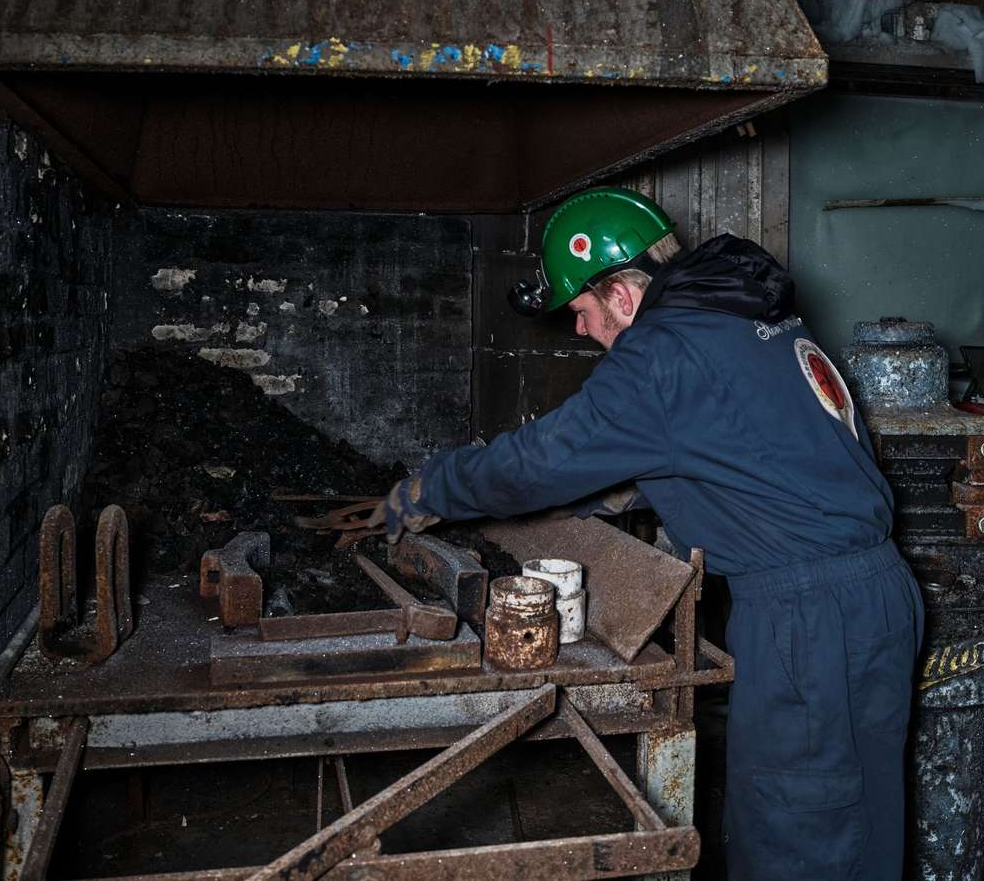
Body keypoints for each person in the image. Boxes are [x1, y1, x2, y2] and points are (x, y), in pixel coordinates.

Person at [371, 186, 921, 880]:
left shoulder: (660, 350)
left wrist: (429, 489)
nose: (579, 331)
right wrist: (630, 486)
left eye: (582, 312)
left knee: (796, 834)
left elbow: (536, 462)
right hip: (878, 593)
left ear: (621, 298)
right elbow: (750, 443)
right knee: (865, 825)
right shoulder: (751, 317)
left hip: (805, 617)